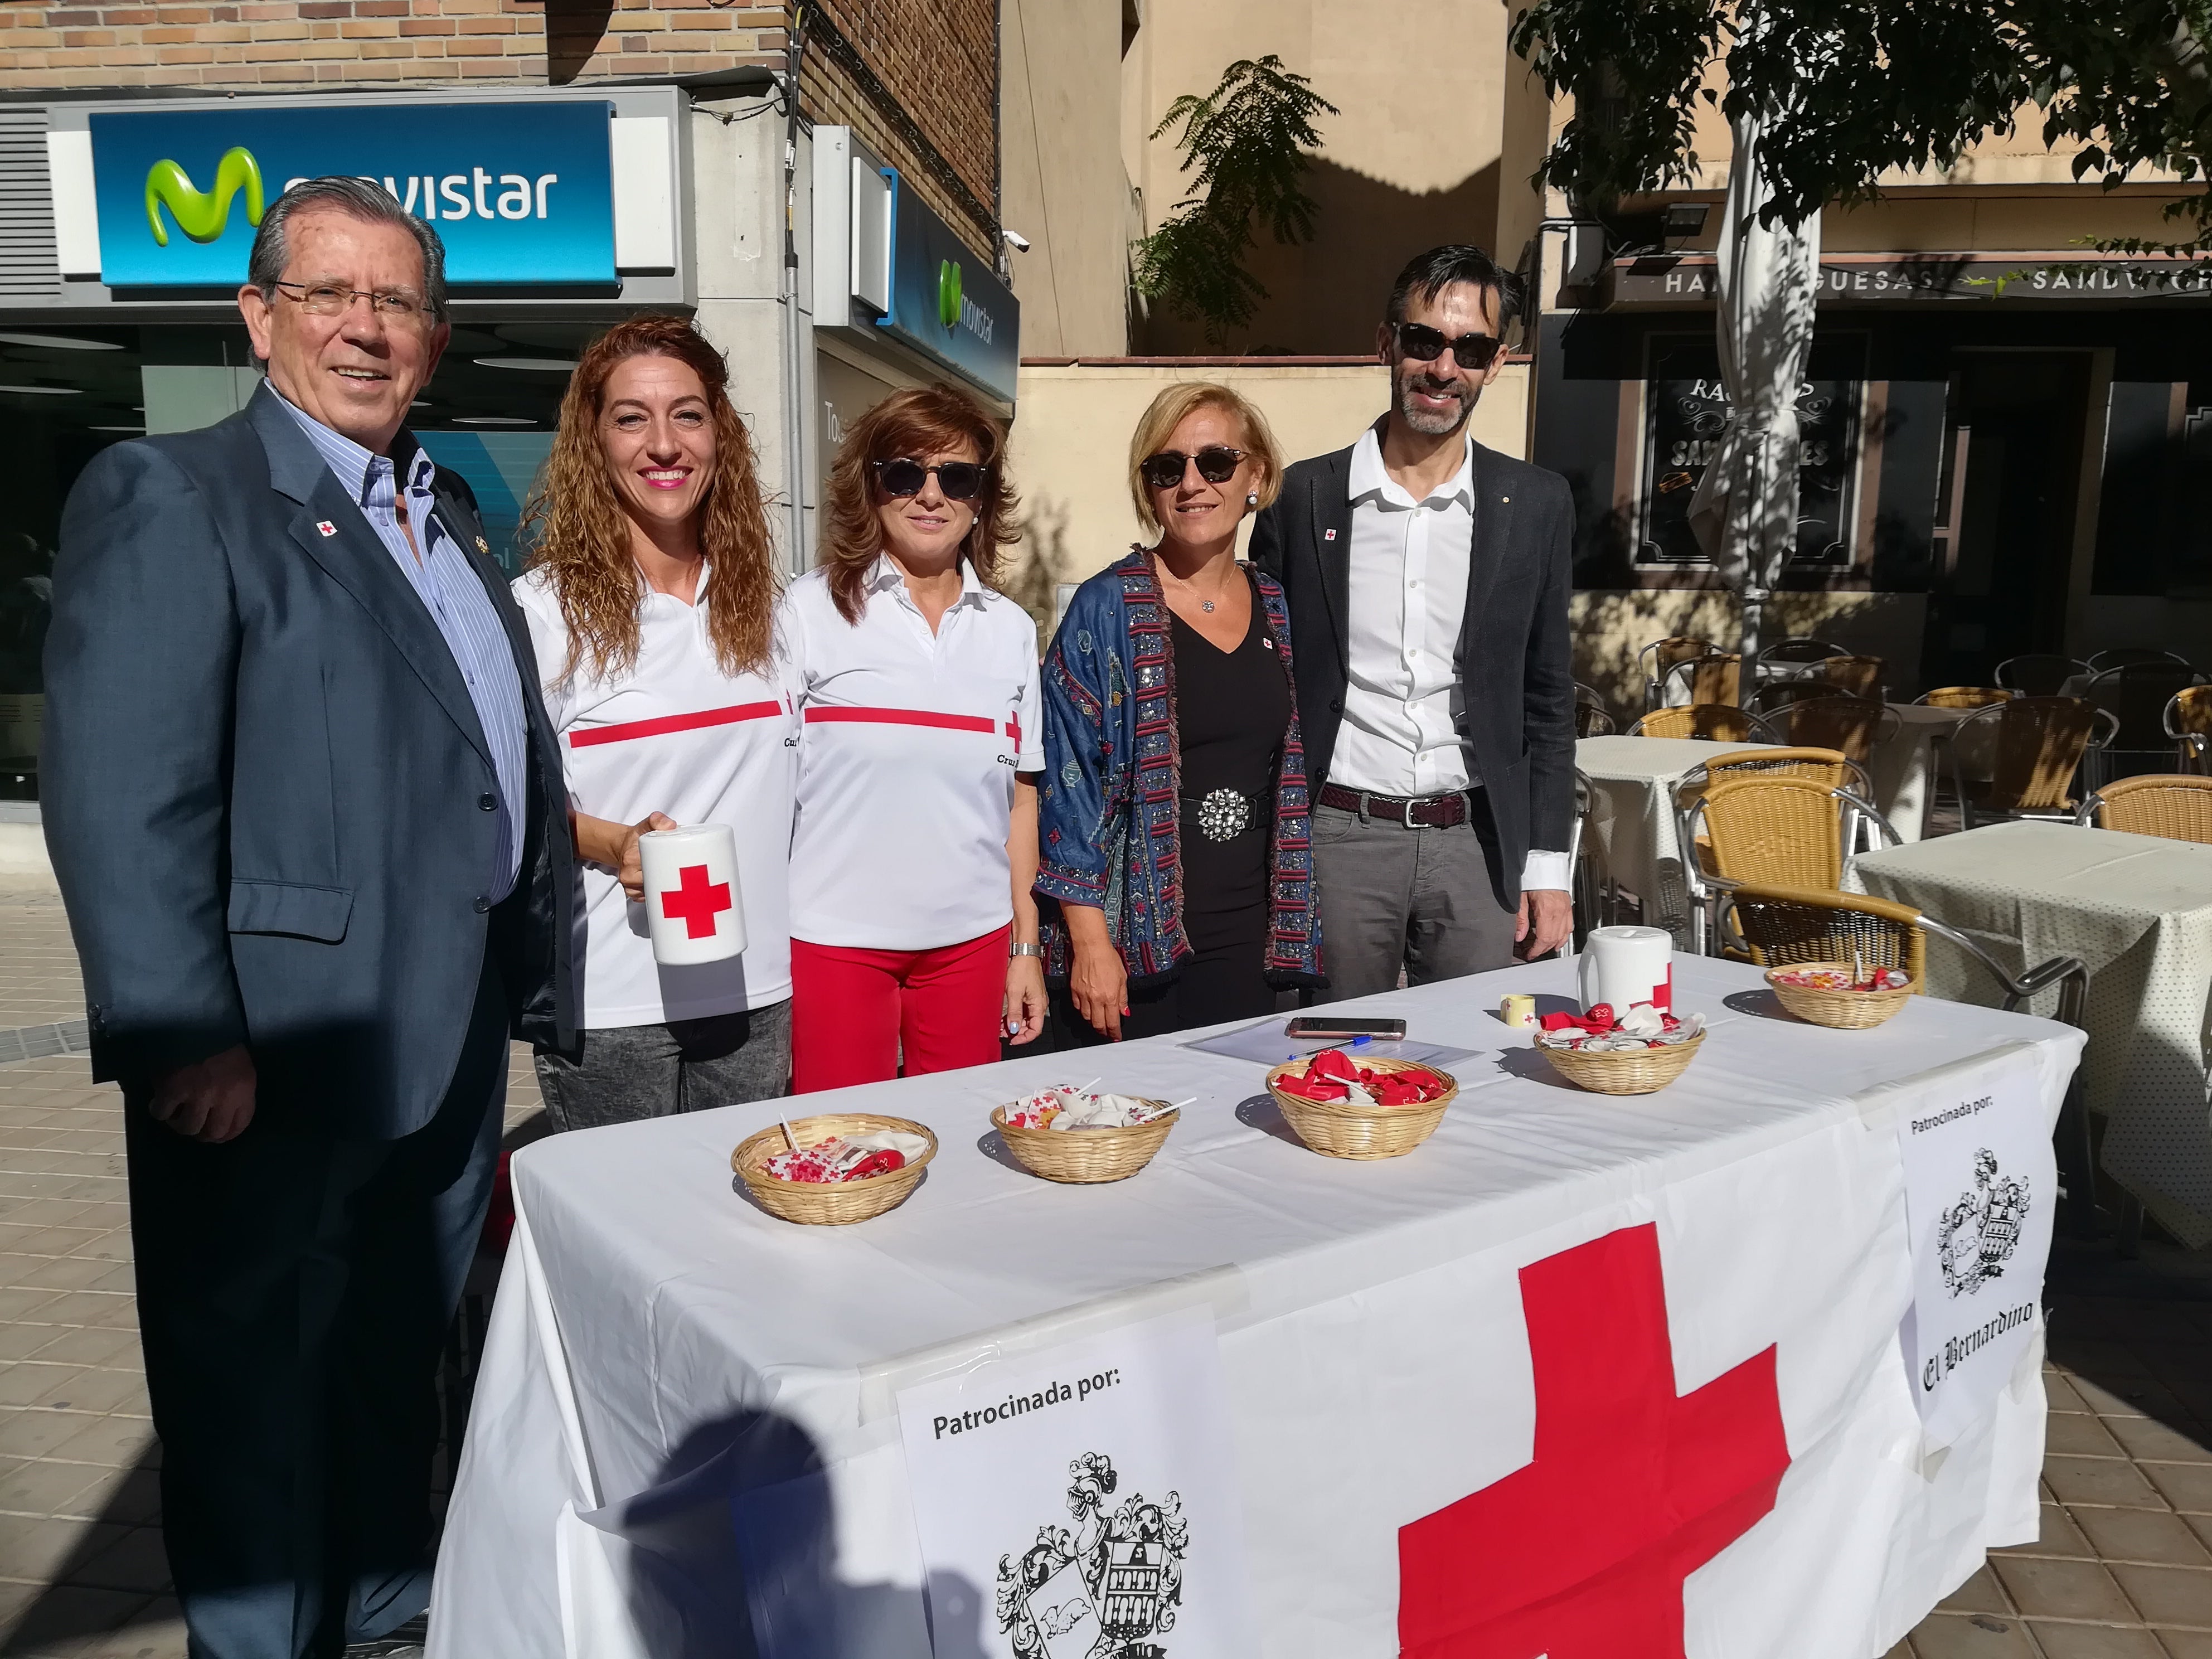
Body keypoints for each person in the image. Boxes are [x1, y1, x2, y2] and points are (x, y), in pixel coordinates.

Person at [40, 177, 575, 1658]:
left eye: (395, 300)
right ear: (257, 316)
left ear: (437, 335)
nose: (363, 326)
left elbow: (486, 754)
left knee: (385, 1370)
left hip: (446, 1036)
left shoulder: (445, 512)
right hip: (269, 1061)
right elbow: (127, 793)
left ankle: (388, 1618)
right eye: (328, 294)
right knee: (255, 1399)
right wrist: (180, 1036)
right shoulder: (178, 494)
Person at [1249, 244, 1576, 998]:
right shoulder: (1305, 499)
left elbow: (1549, 701)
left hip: (1477, 839)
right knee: (1333, 1058)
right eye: (1425, 341)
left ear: (1497, 363)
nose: (1443, 367)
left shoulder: (1536, 504)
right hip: (1339, 836)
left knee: (1480, 1062)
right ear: (1387, 344)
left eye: (1470, 349)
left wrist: (1549, 868)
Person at [512, 314, 794, 1128]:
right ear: (592, 441)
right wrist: (613, 842)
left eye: (688, 415)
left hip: (754, 988)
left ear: (720, 435)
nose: (664, 445)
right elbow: (501, 809)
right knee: (629, 1235)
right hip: (614, 999)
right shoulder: (540, 615)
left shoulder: (774, 614)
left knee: (743, 1231)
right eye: (631, 417)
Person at [1035, 383, 1323, 1041]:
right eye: (1168, 468)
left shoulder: (1275, 603)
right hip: (1134, 940)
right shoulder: (1104, 607)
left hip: (1251, 930)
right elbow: (1064, 785)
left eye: (1215, 462)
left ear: (1256, 475)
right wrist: (1089, 944)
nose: (1192, 483)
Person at [779, 384, 1047, 1090]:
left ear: (981, 499)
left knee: (960, 1153)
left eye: (956, 477)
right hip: (836, 942)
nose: (930, 495)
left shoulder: (1011, 631)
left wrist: (1024, 945)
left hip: (972, 943)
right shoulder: (805, 612)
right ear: (870, 488)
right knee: (839, 1153)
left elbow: (1021, 800)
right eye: (905, 473)